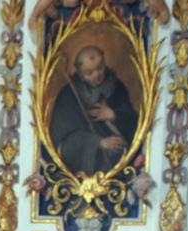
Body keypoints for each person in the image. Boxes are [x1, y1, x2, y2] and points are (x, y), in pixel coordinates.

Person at [49, 45, 138, 176]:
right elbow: (62, 142)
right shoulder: (69, 95)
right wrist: (99, 143)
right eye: (89, 73)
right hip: (87, 166)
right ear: (80, 74)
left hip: (119, 160)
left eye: (100, 68)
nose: (97, 75)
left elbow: (135, 125)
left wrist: (113, 115)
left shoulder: (116, 87)